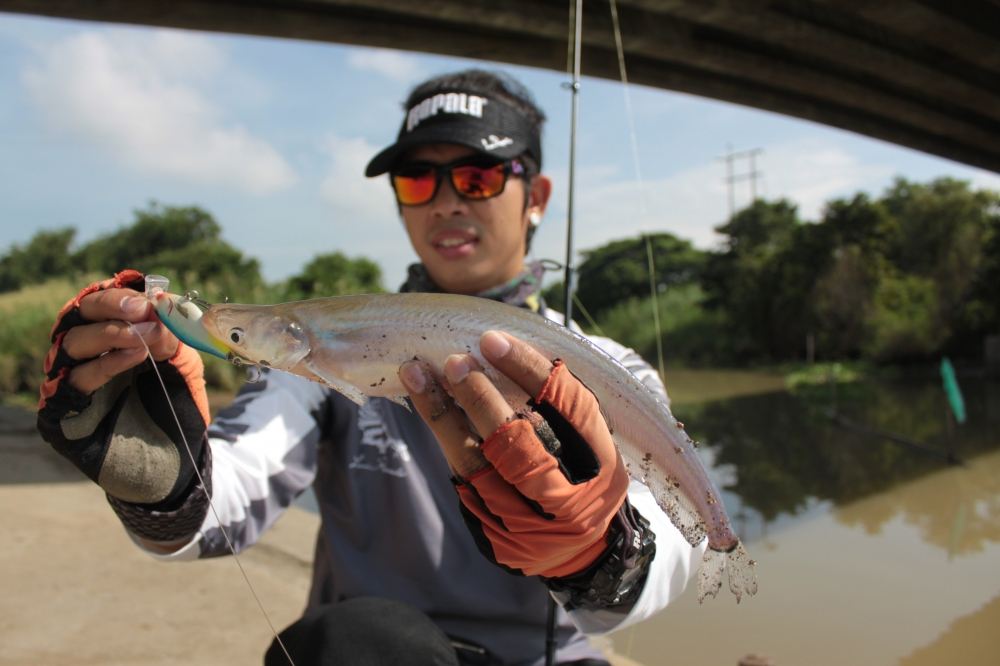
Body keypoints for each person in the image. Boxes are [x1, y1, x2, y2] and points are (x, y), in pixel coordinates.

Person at [37, 69, 704, 666]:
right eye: (418, 180)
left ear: (536, 195)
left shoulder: (609, 369)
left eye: (477, 176)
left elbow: (676, 543)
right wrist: (162, 482)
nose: (447, 201)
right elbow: (220, 509)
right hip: (370, 650)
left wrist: (595, 555)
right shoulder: (324, 350)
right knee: (359, 642)